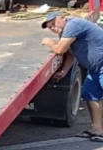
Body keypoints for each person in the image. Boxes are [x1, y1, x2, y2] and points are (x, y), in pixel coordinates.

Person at [41, 11, 103, 139]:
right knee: (90, 93)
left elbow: (60, 49)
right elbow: (70, 54)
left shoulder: (72, 25)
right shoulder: (64, 33)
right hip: (96, 69)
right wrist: (64, 71)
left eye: (54, 23)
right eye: (50, 27)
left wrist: (50, 42)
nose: (53, 27)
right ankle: (97, 129)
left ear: (63, 18)